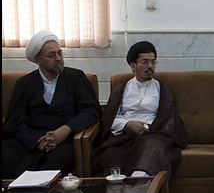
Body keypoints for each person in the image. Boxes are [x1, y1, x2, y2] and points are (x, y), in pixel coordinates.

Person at [2, 30, 101, 177]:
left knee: (60, 159)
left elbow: (92, 110)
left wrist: (66, 129)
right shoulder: (24, 84)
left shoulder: (75, 77)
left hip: (64, 141)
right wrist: (38, 141)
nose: (58, 58)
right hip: (30, 141)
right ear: (38, 60)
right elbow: (16, 121)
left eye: (60, 53)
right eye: (51, 55)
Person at [92, 41, 188, 177]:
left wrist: (147, 128)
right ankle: (115, 192)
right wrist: (127, 124)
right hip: (124, 136)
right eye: (145, 62)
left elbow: (169, 118)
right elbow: (110, 117)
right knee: (110, 154)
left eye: (153, 62)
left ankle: (140, 188)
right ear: (133, 66)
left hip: (154, 133)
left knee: (152, 149)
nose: (150, 66)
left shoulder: (162, 90)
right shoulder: (121, 89)